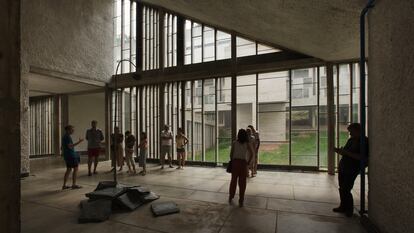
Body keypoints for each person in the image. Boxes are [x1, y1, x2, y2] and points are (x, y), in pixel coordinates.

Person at [333, 123, 368, 217]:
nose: (350, 134)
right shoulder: (351, 140)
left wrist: (346, 153)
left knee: (346, 189)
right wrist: (340, 151)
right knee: (342, 188)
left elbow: (363, 157)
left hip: (352, 168)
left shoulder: (364, 141)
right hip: (344, 166)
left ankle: (349, 209)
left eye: (351, 132)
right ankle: (343, 206)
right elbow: (346, 152)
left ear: (358, 131)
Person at [228, 129, 254, 207]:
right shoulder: (247, 144)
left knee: (233, 181)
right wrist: (248, 163)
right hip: (243, 163)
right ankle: (241, 200)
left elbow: (231, 154)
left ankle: (231, 196)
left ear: (238, 135)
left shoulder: (234, 143)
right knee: (242, 183)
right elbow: (252, 154)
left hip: (235, 163)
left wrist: (233, 161)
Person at [62, 125, 83, 190]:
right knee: (75, 169)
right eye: (72, 129)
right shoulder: (67, 137)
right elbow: (70, 146)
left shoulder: (64, 137)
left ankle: (64, 185)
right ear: (68, 130)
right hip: (71, 156)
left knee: (68, 170)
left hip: (67, 155)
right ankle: (74, 184)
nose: (73, 131)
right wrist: (79, 142)